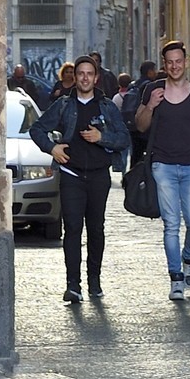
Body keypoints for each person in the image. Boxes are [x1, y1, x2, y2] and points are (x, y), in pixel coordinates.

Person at [28, 50, 130, 304]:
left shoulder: (106, 107)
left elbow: (124, 139)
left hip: (98, 177)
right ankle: (73, 285)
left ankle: (94, 280)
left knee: (96, 229)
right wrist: (52, 148)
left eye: (89, 74)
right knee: (72, 229)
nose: (84, 78)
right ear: (75, 78)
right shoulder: (64, 104)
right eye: (80, 74)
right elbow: (37, 128)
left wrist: (101, 138)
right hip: (71, 175)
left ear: (96, 78)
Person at [135, 39, 190, 299]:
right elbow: (140, 125)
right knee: (171, 224)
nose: (174, 66)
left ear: (186, 62)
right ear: (164, 64)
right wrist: (151, 106)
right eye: (169, 62)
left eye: (178, 61)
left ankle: (189, 258)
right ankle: (176, 279)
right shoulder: (152, 89)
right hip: (162, 166)